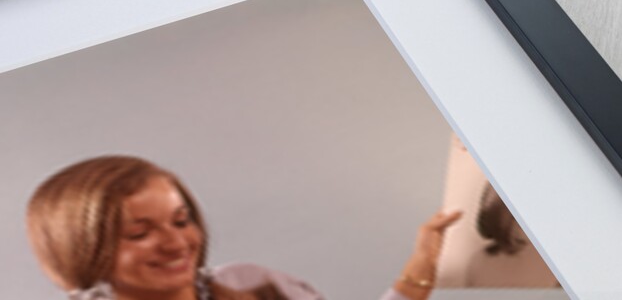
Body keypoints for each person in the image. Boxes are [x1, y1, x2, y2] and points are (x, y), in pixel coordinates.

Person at [26, 155, 460, 300]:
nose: (176, 242)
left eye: (182, 220)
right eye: (140, 233)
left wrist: (421, 265)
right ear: (80, 247)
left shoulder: (253, 284)